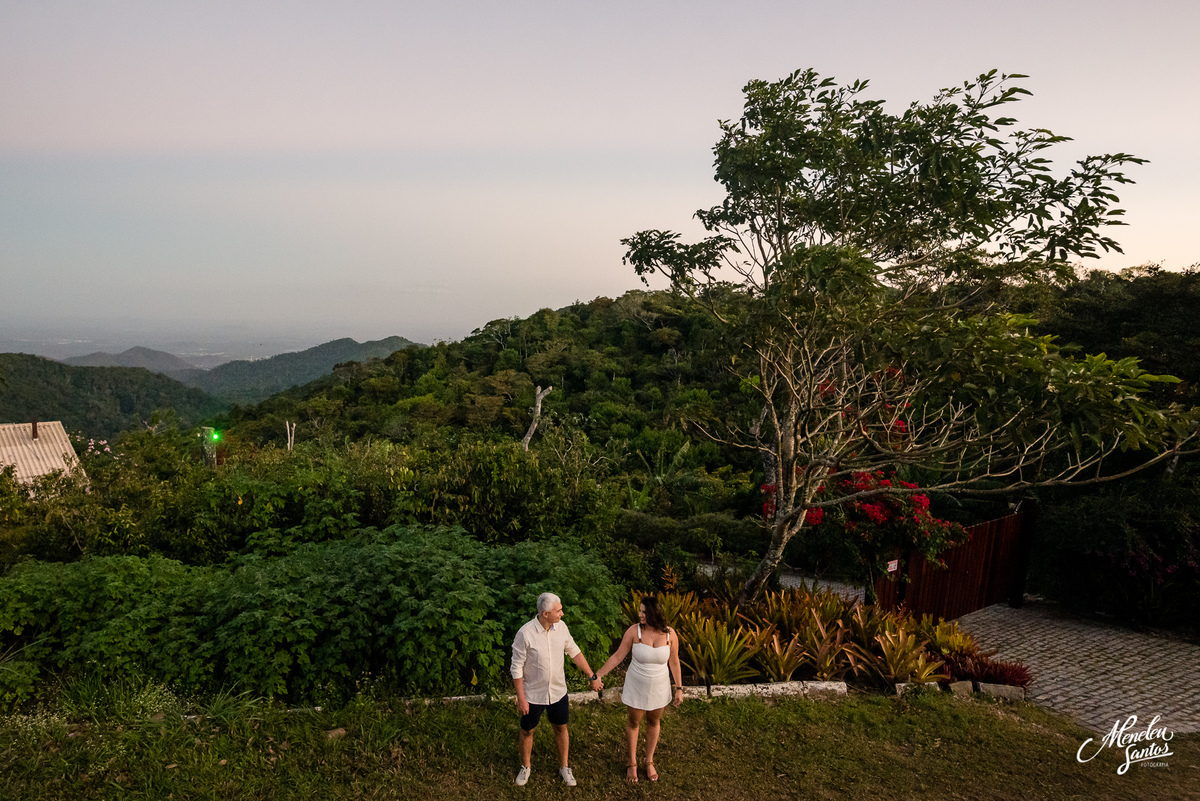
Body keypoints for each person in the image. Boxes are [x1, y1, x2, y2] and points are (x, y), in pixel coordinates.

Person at [510, 591, 603, 787]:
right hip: (533, 694)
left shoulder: (561, 628)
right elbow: (516, 667)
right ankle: (526, 767)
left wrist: (591, 675)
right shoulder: (525, 633)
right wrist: (521, 698)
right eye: (558, 611)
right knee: (528, 730)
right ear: (545, 614)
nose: (562, 614)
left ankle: (564, 767)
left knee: (561, 727)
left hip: (558, 692)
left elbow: (574, 651)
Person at [594, 595, 683, 782]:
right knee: (634, 722)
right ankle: (632, 762)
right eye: (640, 611)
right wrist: (599, 674)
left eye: (644, 612)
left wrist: (679, 688)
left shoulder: (670, 634)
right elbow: (618, 656)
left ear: (654, 613)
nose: (640, 615)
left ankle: (649, 761)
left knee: (654, 721)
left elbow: (674, 661)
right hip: (636, 684)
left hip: (659, 685)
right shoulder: (634, 631)